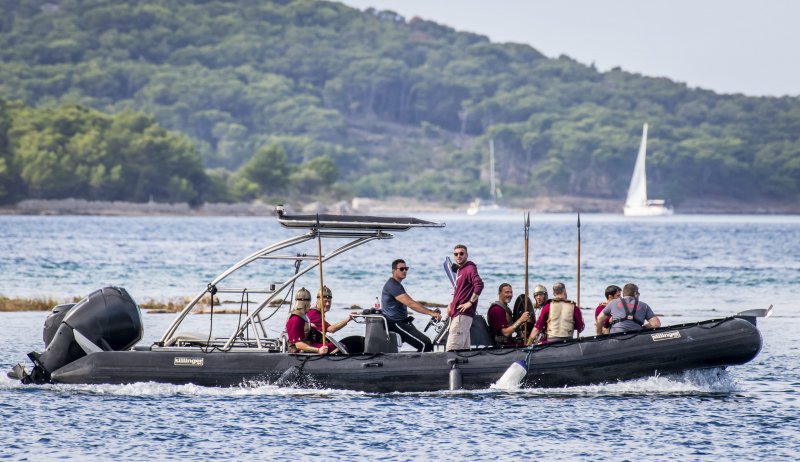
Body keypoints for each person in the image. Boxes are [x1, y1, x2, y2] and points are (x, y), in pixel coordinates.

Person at [381, 259, 442, 352]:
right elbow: (410, 303)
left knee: (427, 343)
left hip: (402, 322)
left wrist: (431, 311)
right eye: (401, 269)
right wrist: (430, 313)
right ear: (393, 271)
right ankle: (421, 366)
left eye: (406, 268)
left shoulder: (397, 285)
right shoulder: (392, 285)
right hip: (395, 323)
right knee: (425, 344)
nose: (404, 271)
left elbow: (412, 301)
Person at [446, 244, 484, 351]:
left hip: (462, 315)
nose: (458, 256)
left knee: (451, 349)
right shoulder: (460, 270)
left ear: (466, 255)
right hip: (460, 315)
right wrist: (451, 305)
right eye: (456, 254)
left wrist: (470, 302)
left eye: (461, 253)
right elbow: (461, 292)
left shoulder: (469, 268)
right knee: (464, 350)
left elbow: (479, 285)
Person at [597, 283, 661, 334]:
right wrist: (642, 328)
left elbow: (599, 319)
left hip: (616, 335)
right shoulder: (644, 305)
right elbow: (656, 324)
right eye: (638, 293)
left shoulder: (613, 302)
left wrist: (599, 335)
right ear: (635, 293)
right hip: (636, 335)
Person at [285, 287, 331, 354]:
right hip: (298, 352)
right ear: (305, 304)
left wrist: (310, 325)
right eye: (309, 302)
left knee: (332, 345)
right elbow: (298, 344)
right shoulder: (295, 319)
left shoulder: (303, 317)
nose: (310, 305)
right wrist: (318, 350)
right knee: (331, 347)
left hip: (307, 345)